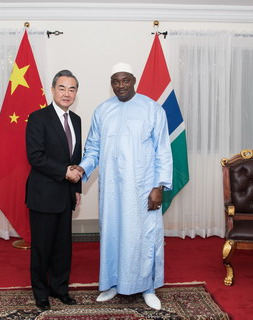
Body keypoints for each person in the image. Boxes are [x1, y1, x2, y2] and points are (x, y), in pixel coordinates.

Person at [73, 62, 173, 310]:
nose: (120, 86)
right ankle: (113, 283)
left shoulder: (152, 109)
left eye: (125, 80)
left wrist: (158, 186)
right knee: (113, 235)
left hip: (143, 189)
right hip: (112, 190)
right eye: (115, 81)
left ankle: (148, 287)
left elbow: (163, 150)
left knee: (144, 237)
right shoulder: (102, 111)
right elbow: (93, 148)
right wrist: (82, 167)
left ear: (134, 80)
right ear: (111, 83)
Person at [25, 69, 82, 310]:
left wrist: (77, 186)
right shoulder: (38, 118)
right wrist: (64, 172)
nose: (67, 93)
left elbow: (75, 157)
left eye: (72, 89)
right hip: (43, 195)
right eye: (62, 88)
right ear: (52, 90)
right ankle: (40, 292)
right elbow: (35, 157)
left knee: (62, 247)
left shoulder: (77, 120)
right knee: (42, 247)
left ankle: (60, 288)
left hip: (66, 194)